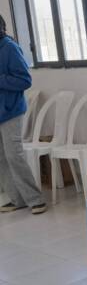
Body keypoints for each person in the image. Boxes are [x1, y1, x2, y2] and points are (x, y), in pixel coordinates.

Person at [0, 14, 46, 214]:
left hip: (11, 111)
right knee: (1, 157)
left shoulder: (10, 48)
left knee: (14, 155)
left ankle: (35, 200)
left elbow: (25, 80)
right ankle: (16, 198)